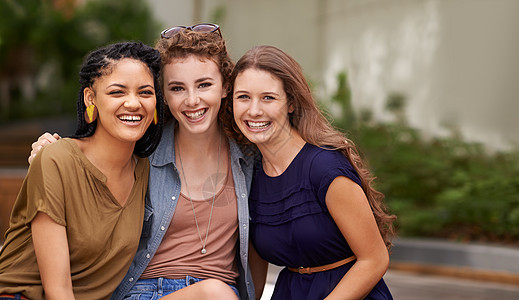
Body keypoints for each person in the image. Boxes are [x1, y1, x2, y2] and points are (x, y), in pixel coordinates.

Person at [27, 24, 254, 300]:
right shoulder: (142, 149)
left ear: (225, 87)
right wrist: (49, 153)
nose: (192, 100)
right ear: (163, 96)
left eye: (204, 85)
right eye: (177, 88)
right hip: (145, 292)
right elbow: (90, 163)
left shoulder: (249, 156)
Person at [224, 45, 396, 300]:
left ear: (291, 103)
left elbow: (374, 259)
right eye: (243, 97)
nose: (254, 110)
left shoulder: (324, 167)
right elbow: (254, 276)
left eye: (268, 98)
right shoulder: (250, 175)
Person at [0, 42, 164, 300]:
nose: (133, 103)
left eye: (145, 92)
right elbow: (58, 291)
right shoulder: (56, 160)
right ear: (91, 98)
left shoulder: (145, 168)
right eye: (117, 92)